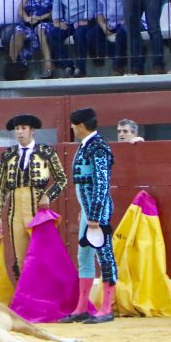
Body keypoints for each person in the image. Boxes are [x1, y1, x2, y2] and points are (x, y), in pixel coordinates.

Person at [0, 113, 67, 277]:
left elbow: (62, 179)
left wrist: (48, 195)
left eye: (23, 128)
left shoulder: (46, 152)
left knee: (41, 256)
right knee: (20, 258)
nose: (19, 132)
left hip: (37, 211)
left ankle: (44, 296)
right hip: (15, 212)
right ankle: (24, 299)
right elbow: (1, 188)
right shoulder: (8, 155)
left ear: (32, 130)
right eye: (17, 129)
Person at [59, 107, 117, 325]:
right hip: (89, 211)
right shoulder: (88, 146)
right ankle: (82, 307)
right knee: (84, 255)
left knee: (104, 255)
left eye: (73, 125)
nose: (72, 129)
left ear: (81, 126)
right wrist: (85, 211)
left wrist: (94, 215)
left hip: (97, 212)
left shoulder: (98, 147)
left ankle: (107, 307)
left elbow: (102, 184)